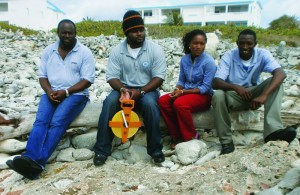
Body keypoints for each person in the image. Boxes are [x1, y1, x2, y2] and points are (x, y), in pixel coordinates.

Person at [6, 19, 95, 179]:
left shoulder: (84, 53)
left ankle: (38, 163)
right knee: (41, 121)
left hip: (76, 95)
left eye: (70, 33)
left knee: (57, 122)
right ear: (58, 33)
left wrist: (66, 92)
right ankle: (30, 157)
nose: (67, 36)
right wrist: (48, 91)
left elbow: (87, 80)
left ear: (75, 34)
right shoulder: (49, 51)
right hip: (51, 93)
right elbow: (42, 76)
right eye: (64, 32)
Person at [93, 10, 167, 166]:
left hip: (147, 90)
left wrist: (141, 92)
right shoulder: (117, 51)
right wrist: (122, 90)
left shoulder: (155, 49)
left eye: (141, 30)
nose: (140, 33)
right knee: (109, 103)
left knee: (150, 105)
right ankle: (101, 150)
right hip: (124, 90)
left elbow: (159, 77)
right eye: (135, 31)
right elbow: (111, 76)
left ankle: (155, 150)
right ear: (126, 32)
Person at [212, 29, 296, 155]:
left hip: (253, 93)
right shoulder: (229, 56)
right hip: (234, 95)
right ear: (237, 43)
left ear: (255, 43)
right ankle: (226, 142)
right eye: (242, 43)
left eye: (249, 43)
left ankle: (272, 132)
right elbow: (216, 82)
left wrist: (264, 95)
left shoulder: (262, 54)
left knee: (276, 82)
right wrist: (236, 87)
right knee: (218, 94)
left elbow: (281, 73)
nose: (245, 47)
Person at [158, 29, 217, 149]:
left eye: (202, 44)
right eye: (195, 43)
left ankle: (191, 136)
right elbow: (181, 80)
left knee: (179, 104)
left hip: (203, 96)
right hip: (185, 93)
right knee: (163, 101)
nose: (198, 46)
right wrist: (177, 90)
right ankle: (176, 134)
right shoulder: (185, 59)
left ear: (205, 45)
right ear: (189, 44)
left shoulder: (209, 62)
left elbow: (205, 87)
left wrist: (182, 92)